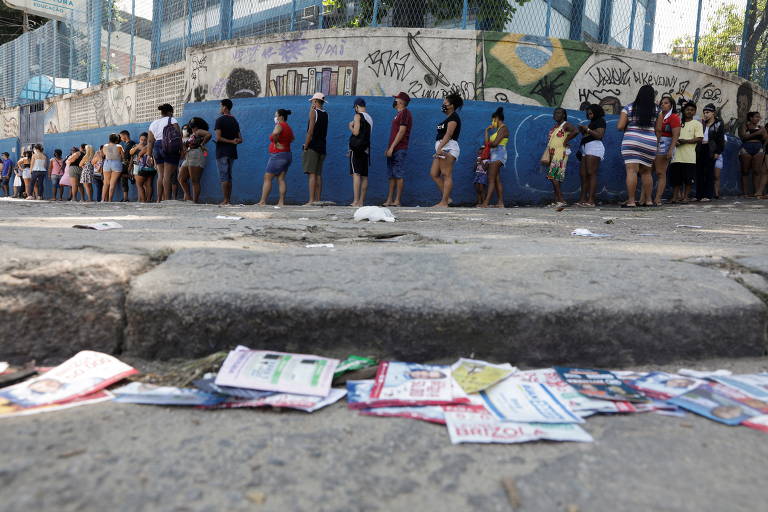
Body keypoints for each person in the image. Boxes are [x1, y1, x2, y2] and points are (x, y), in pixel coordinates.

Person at [617, 84, 658, 208]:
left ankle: (631, 201)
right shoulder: (657, 110)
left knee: (632, 171)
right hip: (650, 141)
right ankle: (649, 201)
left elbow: (620, 126)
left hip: (631, 140)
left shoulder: (628, 108)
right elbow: (659, 129)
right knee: (647, 172)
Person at [430, 92, 463, 208]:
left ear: (452, 105)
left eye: (445, 103)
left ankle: (444, 202)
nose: (443, 105)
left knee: (446, 174)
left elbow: (449, 134)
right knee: (434, 173)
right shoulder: (448, 118)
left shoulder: (454, 118)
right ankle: (447, 198)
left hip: (448, 148)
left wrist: (439, 148)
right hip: (442, 147)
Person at [540, 107, 578, 207]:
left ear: (564, 115)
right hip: (553, 153)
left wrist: (566, 141)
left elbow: (575, 131)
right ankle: (556, 200)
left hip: (560, 152)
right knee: (556, 176)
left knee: (553, 176)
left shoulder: (565, 125)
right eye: (555, 113)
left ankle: (561, 200)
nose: (556, 114)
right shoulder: (555, 127)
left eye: (559, 113)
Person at [257, 109, 294, 206]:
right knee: (281, 179)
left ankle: (262, 201)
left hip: (278, 155)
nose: (275, 117)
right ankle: (281, 202)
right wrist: (284, 143)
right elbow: (292, 139)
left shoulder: (279, 125)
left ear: (281, 116)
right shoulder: (288, 127)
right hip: (287, 155)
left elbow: (274, 135)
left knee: (267, 178)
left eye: (276, 115)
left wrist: (277, 143)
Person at [669, 102, 703, 204]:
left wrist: (685, 141)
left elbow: (700, 138)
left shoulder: (697, 124)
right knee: (676, 180)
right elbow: (672, 135)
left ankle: (685, 197)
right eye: (688, 109)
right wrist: (676, 141)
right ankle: (675, 198)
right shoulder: (678, 122)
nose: (690, 112)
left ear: (695, 112)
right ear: (684, 111)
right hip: (676, 156)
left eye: (692, 110)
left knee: (688, 180)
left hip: (689, 157)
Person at [148, 103, 182, 202]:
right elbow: (178, 136)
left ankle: (159, 199)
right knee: (167, 175)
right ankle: (167, 199)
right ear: (170, 112)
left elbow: (150, 141)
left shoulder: (153, 123)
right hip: (169, 146)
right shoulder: (172, 120)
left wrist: (149, 155)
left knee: (161, 175)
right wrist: (182, 150)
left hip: (157, 147)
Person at [384, 92, 413, 207]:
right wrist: (389, 148)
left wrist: (392, 147)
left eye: (396, 99)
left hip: (399, 148)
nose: (394, 100)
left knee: (398, 174)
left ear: (401, 101)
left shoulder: (405, 113)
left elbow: (401, 131)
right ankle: (390, 199)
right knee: (391, 175)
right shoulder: (398, 114)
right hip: (393, 148)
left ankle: (397, 200)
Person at [652, 96, 681, 206]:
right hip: (654, 144)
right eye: (662, 103)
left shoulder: (673, 117)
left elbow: (676, 135)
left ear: (671, 105)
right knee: (648, 171)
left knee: (660, 172)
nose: (663, 105)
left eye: (666, 103)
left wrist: (671, 150)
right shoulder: (658, 116)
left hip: (665, 145)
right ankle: (644, 199)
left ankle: (658, 199)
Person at [576, 104, 605, 207]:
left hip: (594, 147)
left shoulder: (600, 121)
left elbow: (599, 135)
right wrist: (583, 131)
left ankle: (591, 200)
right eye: (588, 114)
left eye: (591, 113)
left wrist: (587, 130)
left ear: (596, 112)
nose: (589, 115)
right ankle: (583, 199)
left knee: (591, 173)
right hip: (586, 147)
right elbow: (589, 135)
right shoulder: (592, 122)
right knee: (583, 174)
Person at [214, 98, 242, 205]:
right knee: (229, 176)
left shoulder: (219, 120)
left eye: (220, 106)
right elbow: (240, 139)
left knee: (224, 176)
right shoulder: (235, 120)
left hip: (222, 152)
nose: (220, 108)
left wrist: (230, 141)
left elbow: (218, 138)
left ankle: (225, 200)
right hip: (232, 152)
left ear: (225, 107)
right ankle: (228, 200)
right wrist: (234, 141)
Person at [303, 92, 328, 205]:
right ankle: (318, 199)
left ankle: (311, 200)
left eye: (313, 101)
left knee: (312, 174)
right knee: (318, 174)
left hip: (313, 146)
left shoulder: (314, 112)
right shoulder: (325, 114)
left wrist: (306, 145)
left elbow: (310, 131)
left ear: (315, 101)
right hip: (322, 146)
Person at [480, 107, 508, 208]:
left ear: (497, 119)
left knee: (491, 179)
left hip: (498, 155)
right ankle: (500, 203)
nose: (492, 122)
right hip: (494, 156)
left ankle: (486, 202)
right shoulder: (498, 130)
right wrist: (487, 131)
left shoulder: (503, 128)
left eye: (493, 119)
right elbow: (487, 142)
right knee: (496, 179)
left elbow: (495, 143)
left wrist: (489, 144)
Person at [696, 103, 725, 202]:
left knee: (709, 172)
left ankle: (708, 195)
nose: (705, 114)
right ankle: (699, 195)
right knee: (699, 172)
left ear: (713, 113)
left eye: (708, 112)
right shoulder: (701, 123)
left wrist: (718, 152)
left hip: (711, 149)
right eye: (704, 112)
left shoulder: (719, 124)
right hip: (700, 148)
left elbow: (720, 140)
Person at [179, 117, 211, 203]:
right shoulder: (193, 134)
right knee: (181, 178)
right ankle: (188, 197)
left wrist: (202, 144)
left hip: (196, 154)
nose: (192, 127)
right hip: (189, 155)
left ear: (197, 126)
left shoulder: (199, 131)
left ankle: (195, 201)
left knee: (195, 180)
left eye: (193, 125)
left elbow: (209, 134)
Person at [348, 98, 373, 207]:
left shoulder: (357, 116)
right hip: (365, 149)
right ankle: (361, 201)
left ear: (357, 106)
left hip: (356, 149)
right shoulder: (370, 118)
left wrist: (350, 127)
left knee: (356, 174)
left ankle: (355, 201)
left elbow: (356, 132)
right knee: (364, 176)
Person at [738, 111, 765, 197]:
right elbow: (743, 137)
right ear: (751, 118)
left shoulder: (761, 127)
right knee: (745, 171)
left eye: (759, 117)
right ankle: (745, 193)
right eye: (756, 117)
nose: (758, 118)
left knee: (757, 171)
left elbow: (765, 137)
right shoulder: (745, 126)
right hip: (746, 148)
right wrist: (757, 133)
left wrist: (762, 147)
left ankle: (756, 192)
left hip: (758, 148)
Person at [101, 133, 124, 202]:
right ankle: (110, 200)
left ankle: (103, 200)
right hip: (116, 163)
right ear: (117, 140)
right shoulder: (119, 146)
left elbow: (104, 154)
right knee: (112, 183)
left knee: (106, 183)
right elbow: (123, 156)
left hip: (107, 163)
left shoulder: (105, 146)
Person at [132, 133, 153, 202]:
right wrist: (137, 147)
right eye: (141, 139)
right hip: (146, 167)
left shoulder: (147, 147)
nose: (143, 141)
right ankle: (143, 200)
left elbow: (139, 156)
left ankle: (145, 200)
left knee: (141, 184)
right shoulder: (136, 146)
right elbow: (130, 153)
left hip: (142, 167)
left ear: (147, 140)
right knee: (145, 184)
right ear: (139, 139)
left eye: (145, 140)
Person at [119, 130, 136, 202]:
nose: (120, 138)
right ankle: (125, 198)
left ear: (125, 135)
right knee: (123, 180)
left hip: (129, 165)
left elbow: (132, 156)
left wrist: (130, 166)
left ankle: (132, 176)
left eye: (121, 136)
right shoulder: (126, 144)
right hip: (125, 164)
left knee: (123, 176)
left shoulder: (131, 143)